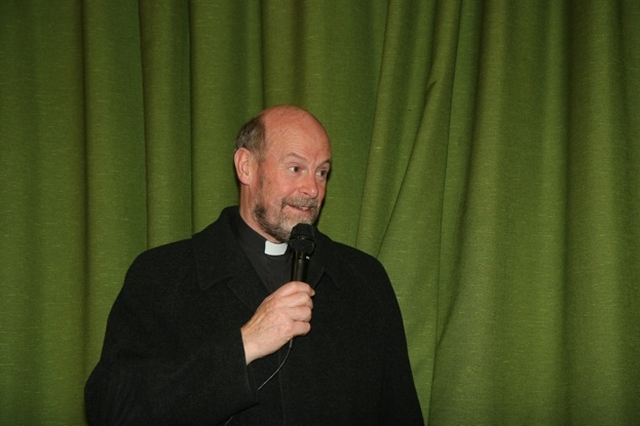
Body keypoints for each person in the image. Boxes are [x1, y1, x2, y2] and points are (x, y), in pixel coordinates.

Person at [84, 105, 424, 425]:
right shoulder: (162, 274)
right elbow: (112, 408)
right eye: (295, 168)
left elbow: (399, 411)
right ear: (246, 167)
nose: (312, 189)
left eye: (322, 172)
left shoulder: (364, 278)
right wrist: (244, 345)